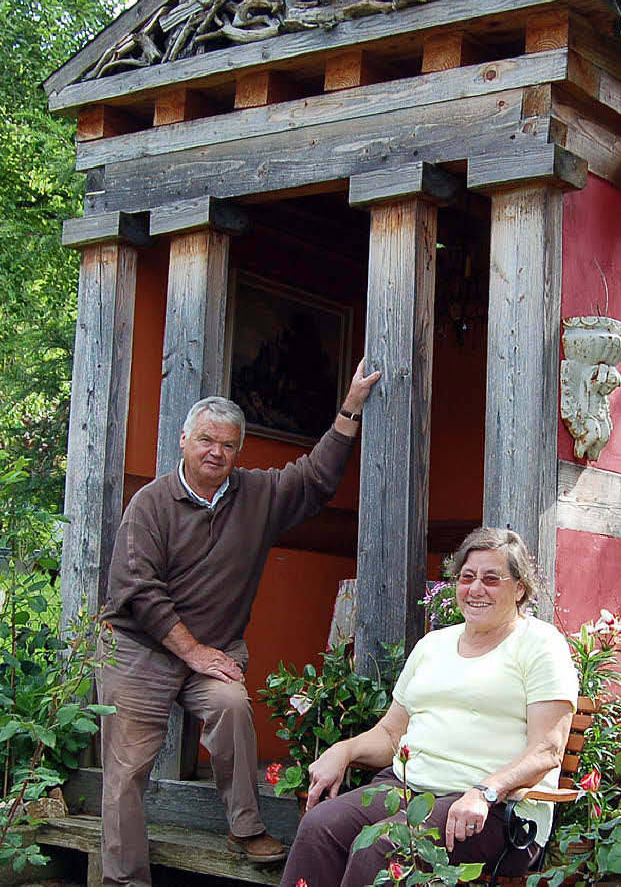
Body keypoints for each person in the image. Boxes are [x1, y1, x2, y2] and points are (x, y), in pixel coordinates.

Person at [97, 360, 380, 887]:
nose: (216, 453)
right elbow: (140, 594)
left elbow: (316, 479)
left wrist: (350, 409)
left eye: (228, 445)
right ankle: (124, 880)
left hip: (214, 650)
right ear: (183, 440)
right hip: (141, 648)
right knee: (125, 772)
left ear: (237, 452)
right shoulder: (150, 504)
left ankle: (245, 828)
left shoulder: (256, 495)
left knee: (231, 706)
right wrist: (192, 651)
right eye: (206, 440)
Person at [280, 527, 579, 887]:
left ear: (519, 588)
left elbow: (546, 750)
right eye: (467, 577)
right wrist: (343, 751)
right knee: (319, 826)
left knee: (383, 846)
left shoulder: (541, 645)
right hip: (407, 789)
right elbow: (392, 733)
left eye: (491, 578)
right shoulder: (432, 645)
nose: (476, 589)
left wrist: (485, 791)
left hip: (495, 812)